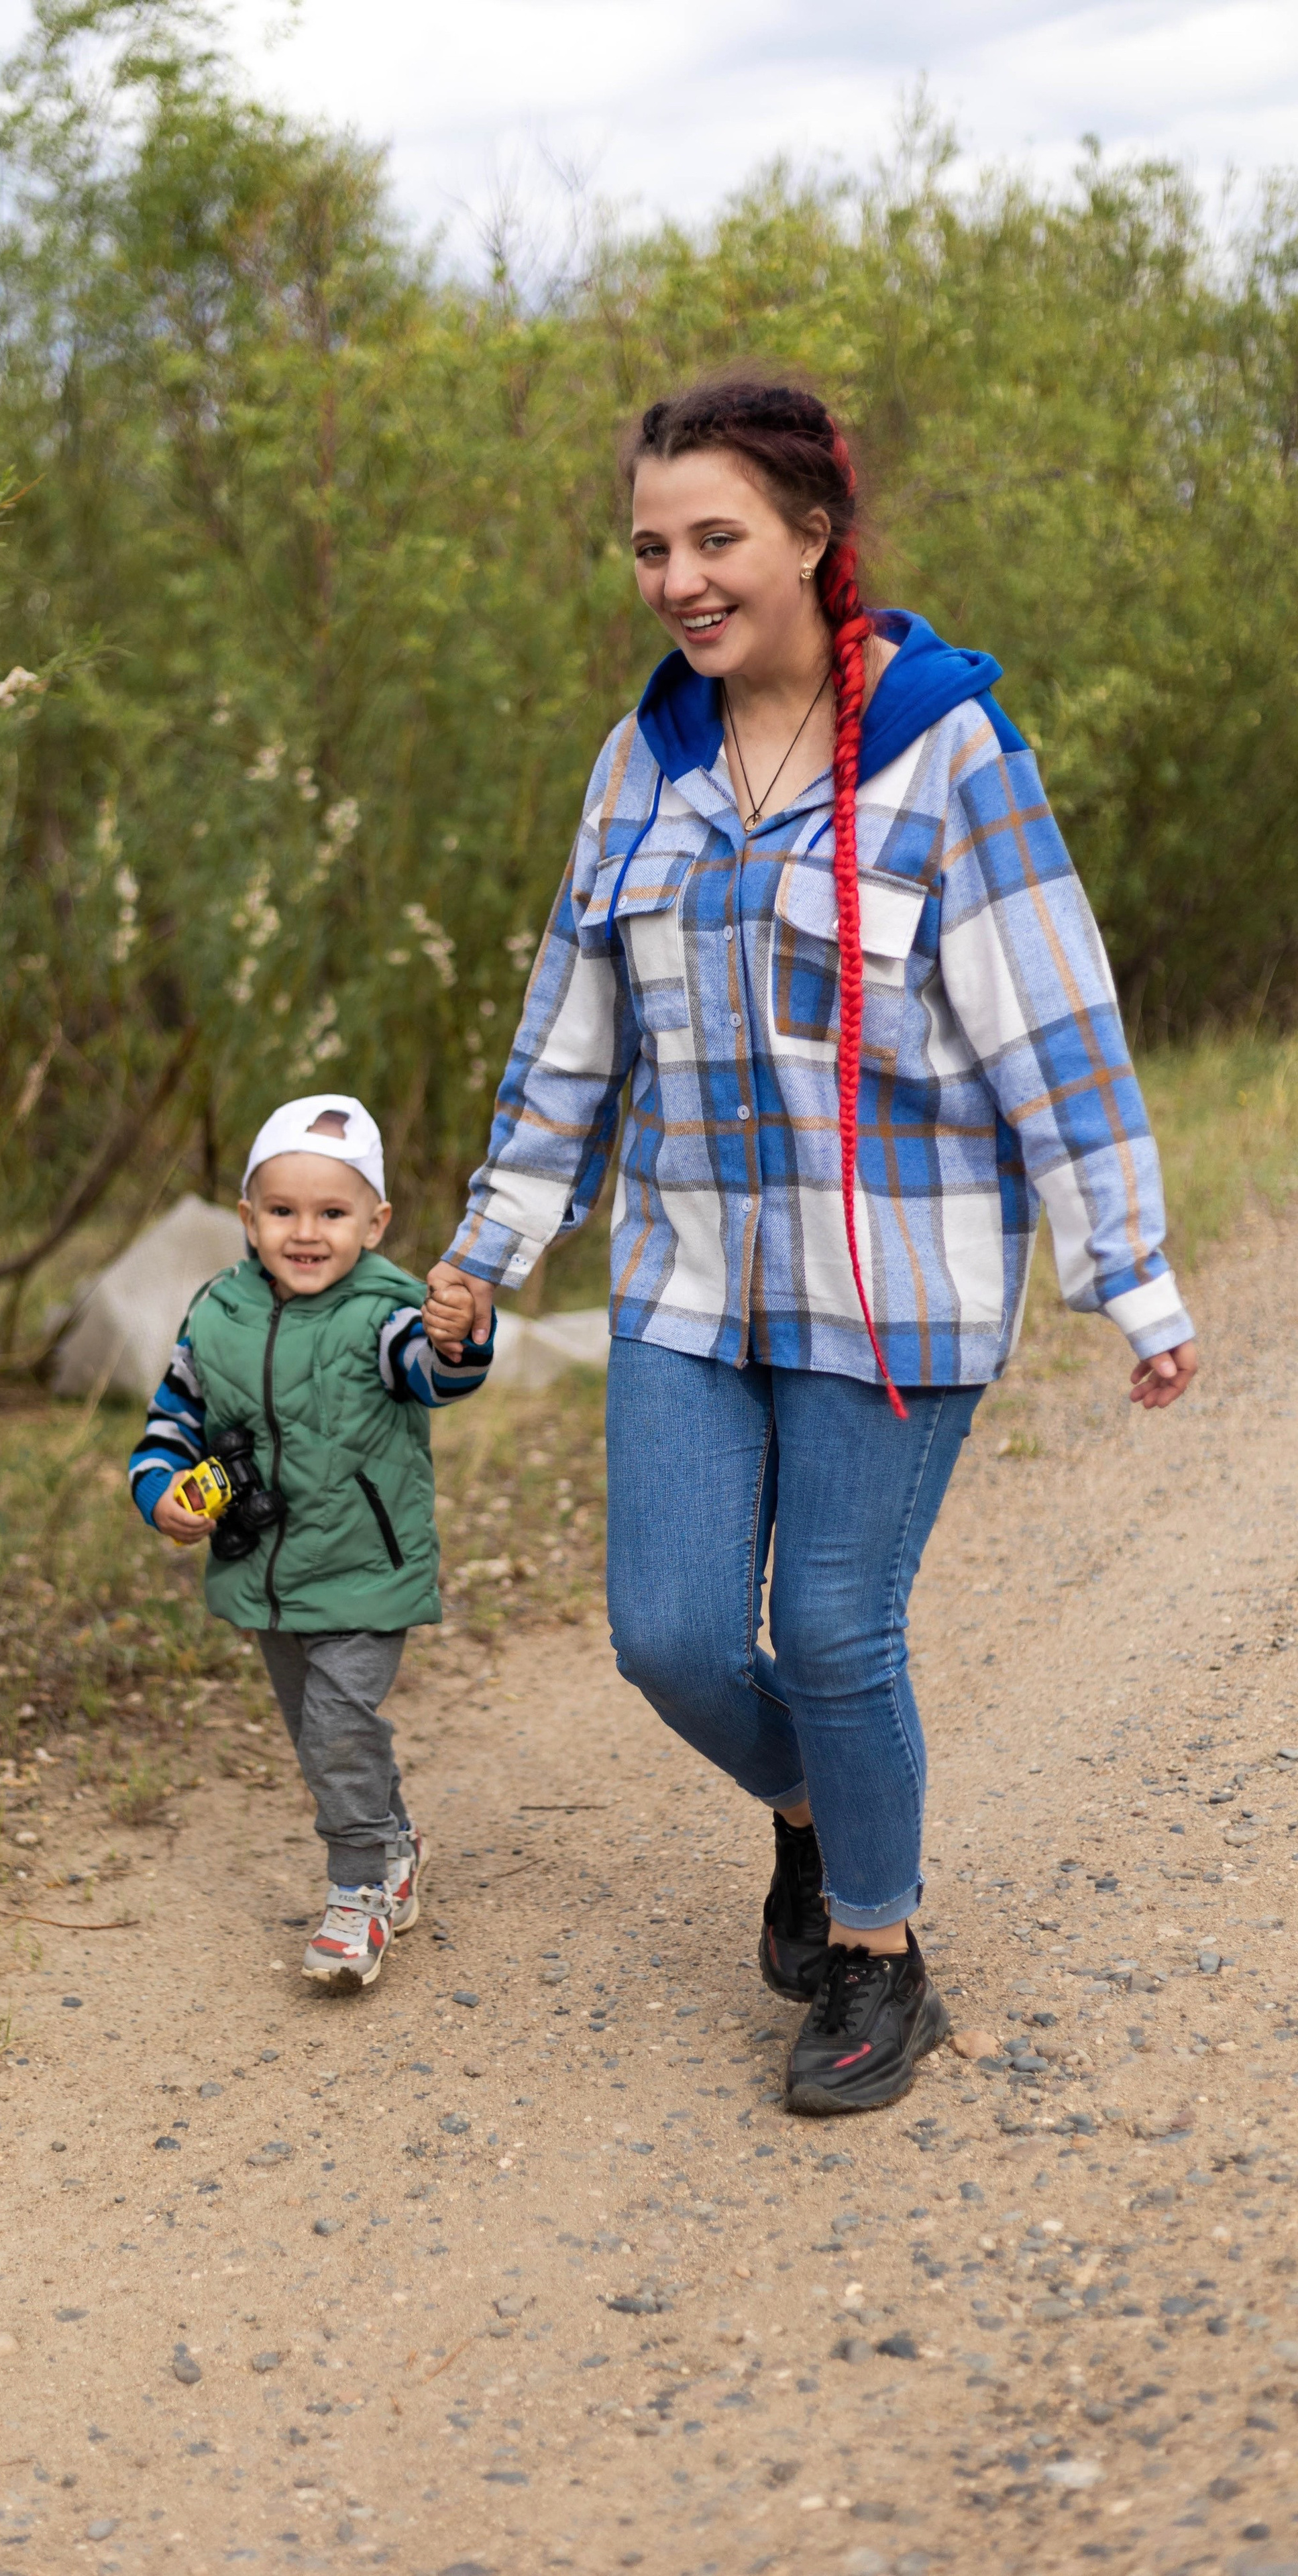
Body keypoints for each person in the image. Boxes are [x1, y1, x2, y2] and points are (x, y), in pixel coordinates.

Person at [423, 378, 1197, 2115]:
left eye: (716, 540)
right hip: (688, 1281)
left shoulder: (947, 750)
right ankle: (808, 1807)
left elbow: (1054, 1031)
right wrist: (492, 1248)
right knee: (675, 1638)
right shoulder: (643, 764)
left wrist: (1126, 1270)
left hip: (893, 1287)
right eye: (649, 547)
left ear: (810, 540)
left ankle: (875, 1944)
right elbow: (571, 1035)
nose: (679, 580)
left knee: (839, 1631)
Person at [130, 1093, 494, 1991]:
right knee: (319, 1733)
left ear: (374, 1223)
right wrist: (161, 1492)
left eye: (332, 1214)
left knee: (337, 1725)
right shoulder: (216, 1310)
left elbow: (431, 1372)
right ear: (248, 1220)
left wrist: (458, 1337)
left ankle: (357, 1894)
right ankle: (394, 1839)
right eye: (283, 1212)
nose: (306, 1233)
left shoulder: (384, 1311)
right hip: (265, 1572)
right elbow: (173, 1421)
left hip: (364, 1569)